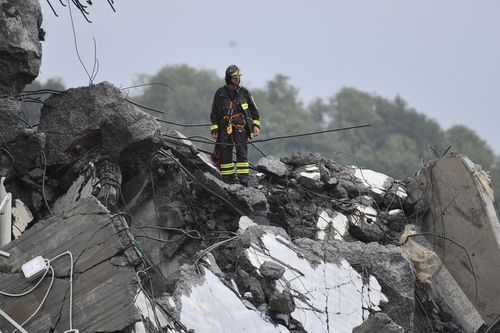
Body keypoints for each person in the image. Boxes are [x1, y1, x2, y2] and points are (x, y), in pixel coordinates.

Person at [210, 65, 260, 186]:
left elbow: (254, 110)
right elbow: (214, 112)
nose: (238, 80)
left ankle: (243, 179)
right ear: (229, 78)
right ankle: (228, 179)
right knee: (225, 153)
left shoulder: (244, 92)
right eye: (235, 78)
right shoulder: (220, 93)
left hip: (240, 127)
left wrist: (256, 125)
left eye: (238, 77)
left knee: (242, 152)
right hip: (224, 127)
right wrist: (215, 128)